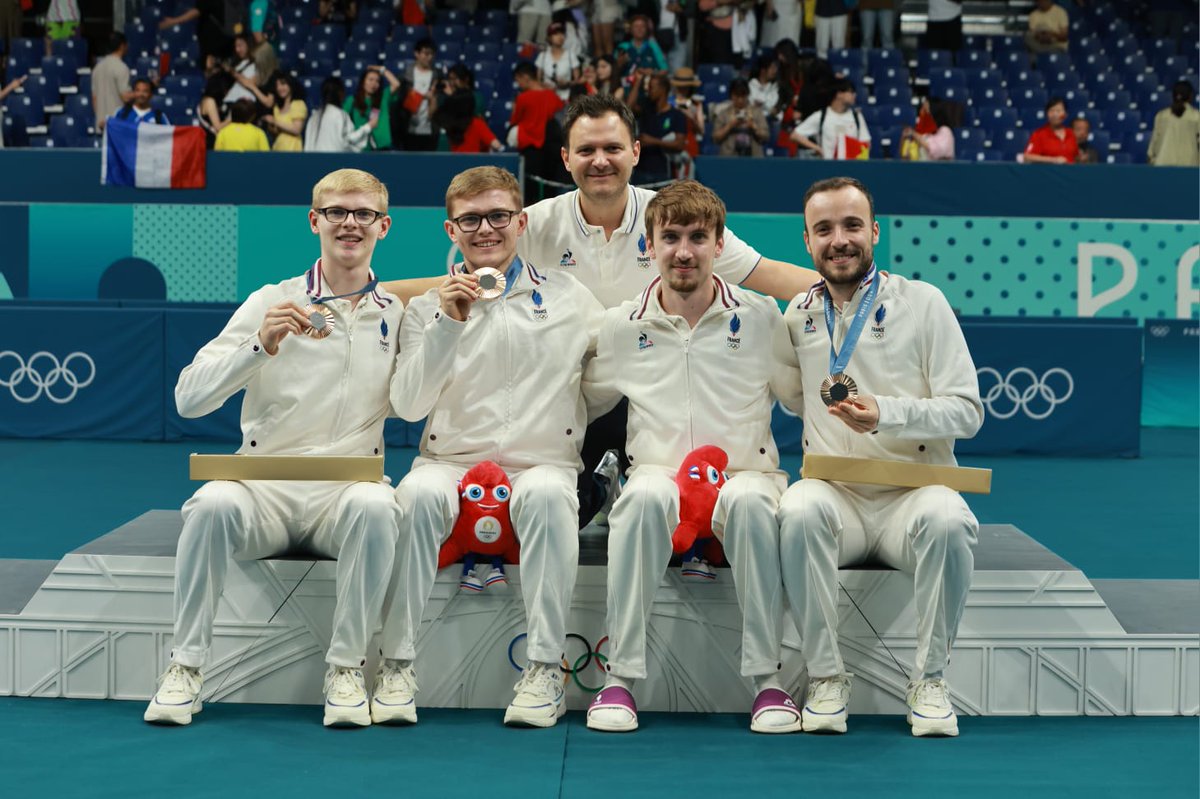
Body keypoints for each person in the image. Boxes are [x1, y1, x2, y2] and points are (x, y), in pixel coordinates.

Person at [382, 94, 819, 523]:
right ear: (566, 158)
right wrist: (370, 292)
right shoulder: (535, 223)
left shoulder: (671, 220)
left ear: (635, 152)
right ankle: (600, 483)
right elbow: (474, 279)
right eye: (586, 150)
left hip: (655, 380)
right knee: (569, 513)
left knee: (672, 514)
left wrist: (844, 289)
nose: (600, 161)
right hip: (585, 389)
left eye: (612, 148)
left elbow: (768, 273)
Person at [144, 168, 403, 728]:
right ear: (314, 221)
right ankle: (185, 666)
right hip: (263, 491)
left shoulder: (397, 312)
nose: (350, 223)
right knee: (212, 504)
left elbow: (413, 400)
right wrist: (259, 345)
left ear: (383, 226)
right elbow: (189, 398)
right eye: (336, 212)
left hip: (344, 494)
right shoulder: (271, 300)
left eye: (363, 213)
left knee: (379, 506)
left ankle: (346, 668)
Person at [379, 166, 605, 727]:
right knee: (415, 497)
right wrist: (448, 323)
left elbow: (611, 371)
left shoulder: (569, 297)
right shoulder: (426, 308)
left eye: (499, 216)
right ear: (450, 229)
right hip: (449, 464)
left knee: (550, 498)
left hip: (541, 464)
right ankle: (396, 664)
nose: (486, 229)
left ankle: (545, 669)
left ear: (520, 222)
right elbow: (408, 405)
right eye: (471, 219)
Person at [580, 180, 804, 734]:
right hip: (659, 473)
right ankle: (620, 678)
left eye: (698, 237)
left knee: (750, 503)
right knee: (640, 499)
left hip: (745, 474)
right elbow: (577, 402)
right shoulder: (622, 325)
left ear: (719, 244)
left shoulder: (761, 316)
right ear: (649, 246)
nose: (684, 251)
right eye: (671, 237)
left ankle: (767, 679)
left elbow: (804, 398)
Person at [778, 176, 982, 737]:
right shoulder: (798, 315)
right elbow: (793, 396)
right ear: (807, 241)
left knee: (949, 519)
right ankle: (825, 677)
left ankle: (929, 681)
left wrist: (886, 413)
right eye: (824, 229)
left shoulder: (923, 302)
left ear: (874, 231)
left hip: (912, 496)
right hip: (837, 497)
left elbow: (968, 412)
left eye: (851, 225)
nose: (839, 240)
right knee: (796, 509)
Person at [630, 72, 689, 183]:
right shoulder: (646, 110)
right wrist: (638, 81)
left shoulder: (677, 115)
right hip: (640, 171)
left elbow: (679, 144)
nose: (648, 91)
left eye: (651, 87)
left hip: (663, 172)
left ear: (663, 89)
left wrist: (653, 141)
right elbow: (628, 107)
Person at [791, 77, 871, 159]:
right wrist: (817, 148)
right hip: (827, 164)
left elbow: (866, 142)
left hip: (851, 165)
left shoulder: (857, 117)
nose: (854, 95)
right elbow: (795, 135)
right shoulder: (821, 116)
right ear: (839, 94)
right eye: (851, 92)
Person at [234, 69, 307, 151]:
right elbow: (277, 133)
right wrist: (270, 126)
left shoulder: (298, 104)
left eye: (283, 84)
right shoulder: (276, 107)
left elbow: (297, 129)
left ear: (291, 85)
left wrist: (274, 121)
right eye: (277, 86)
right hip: (278, 148)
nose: (279, 88)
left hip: (293, 151)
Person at [305, 77, 376, 152]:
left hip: (314, 159)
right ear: (340, 93)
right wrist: (367, 127)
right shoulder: (340, 115)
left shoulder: (313, 116)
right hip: (335, 158)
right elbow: (349, 141)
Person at [713, 78, 770, 157]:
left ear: (748, 94)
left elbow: (766, 136)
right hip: (729, 158)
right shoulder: (724, 114)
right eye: (737, 96)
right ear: (731, 95)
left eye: (743, 96)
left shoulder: (757, 113)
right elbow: (715, 138)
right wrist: (729, 126)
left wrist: (753, 126)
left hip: (753, 157)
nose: (740, 100)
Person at [1147, 80, 1200, 167]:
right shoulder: (1196, 117)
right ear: (1190, 96)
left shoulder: (1161, 116)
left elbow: (1152, 149)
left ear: (1173, 96)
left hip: (1163, 167)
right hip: (1189, 168)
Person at [92, 32, 134, 132]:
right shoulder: (121, 67)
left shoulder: (97, 67)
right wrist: (142, 92)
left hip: (101, 124)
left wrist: (100, 117)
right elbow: (126, 97)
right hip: (116, 127)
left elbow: (94, 99)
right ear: (122, 46)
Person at [345, 65, 394, 150]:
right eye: (370, 79)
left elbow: (396, 84)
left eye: (377, 81)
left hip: (381, 147)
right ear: (363, 81)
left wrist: (379, 68)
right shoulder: (352, 100)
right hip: (360, 147)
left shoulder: (383, 98)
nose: (374, 84)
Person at [1023, 96, 1077, 164]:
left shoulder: (1071, 133)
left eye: (1058, 111)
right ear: (1047, 114)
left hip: (1070, 170)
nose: (1055, 114)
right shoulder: (1039, 134)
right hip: (1048, 170)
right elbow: (1027, 157)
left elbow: (1075, 156)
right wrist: (1054, 160)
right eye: (1051, 111)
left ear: (1065, 114)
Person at [536, 22, 581, 102]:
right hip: (547, 97)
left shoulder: (571, 55)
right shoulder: (542, 56)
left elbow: (577, 80)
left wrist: (567, 83)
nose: (560, 36)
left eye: (562, 33)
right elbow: (538, 80)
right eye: (556, 34)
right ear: (549, 37)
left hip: (566, 97)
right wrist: (544, 86)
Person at [197, 68, 235, 148]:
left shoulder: (215, 101)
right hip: (210, 142)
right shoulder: (209, 101)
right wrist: (231, 118)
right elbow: (218, 127)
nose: (227, 92)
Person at [222, 33, 259, 105]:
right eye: (236, 46)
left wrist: (231, 71)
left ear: (248, 44)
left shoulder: (257, 63)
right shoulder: (238, 63)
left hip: (244, 103)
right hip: (230, 100)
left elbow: (250, 83)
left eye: (240, 45)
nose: (237, 49)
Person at [749, 55, 782, 119]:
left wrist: (764, 105)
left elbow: (775, 110)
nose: (775, 71)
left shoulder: (776, 88)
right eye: (772, 68)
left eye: (775, 68)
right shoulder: (750, 85)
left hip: (770, 120)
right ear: (763, 70)